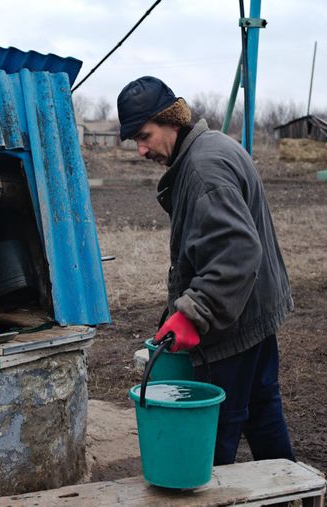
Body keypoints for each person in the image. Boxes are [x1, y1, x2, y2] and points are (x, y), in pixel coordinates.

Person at [117, 76, 295, 465]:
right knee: (263, 409)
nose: (141, 149)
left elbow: (236, 251)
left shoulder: (202, 170)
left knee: (214, 431)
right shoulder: (212, 149)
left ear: (171, 121)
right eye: (134, 140)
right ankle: (288, 492)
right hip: (253, 308)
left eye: (144, 135)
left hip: (232, 322)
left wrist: (195, 313)